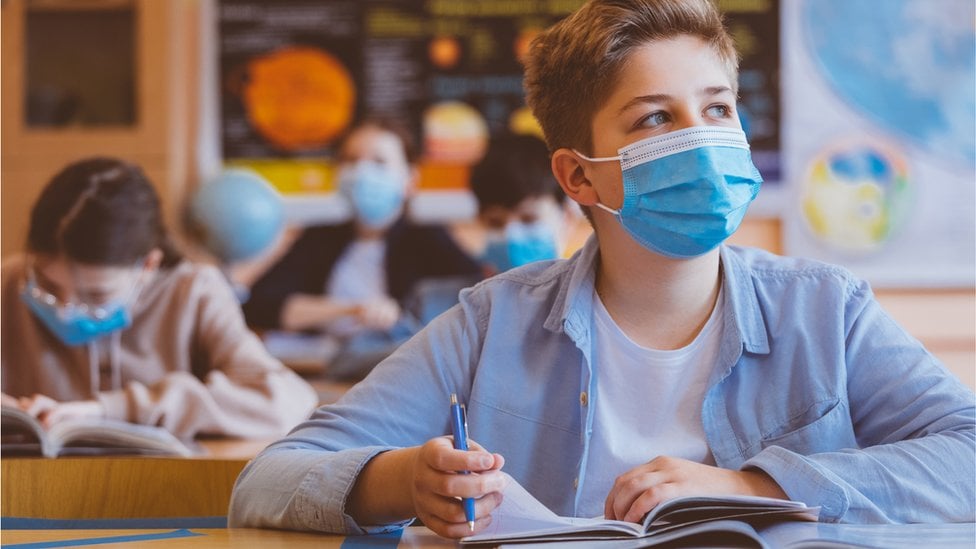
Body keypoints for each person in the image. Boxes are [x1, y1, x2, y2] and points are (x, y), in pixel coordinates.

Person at [229, 0, 975, 538]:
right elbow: (265, 479)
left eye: (718, 109)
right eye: (656, 118)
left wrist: (755, 485)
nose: (703, 140)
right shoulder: (494, 323)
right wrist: (402, 481)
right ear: (580, 178)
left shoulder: (826, 312)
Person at [1, 157, 317, 440]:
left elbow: (284, 401)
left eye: (97, 294)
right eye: (47, 285)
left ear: (148, 266)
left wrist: (113, 410)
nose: (66, 309)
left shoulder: (193, 291)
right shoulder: (9, 281)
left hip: (164, 498)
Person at [241, 119, 482, 377]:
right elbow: (259, 304)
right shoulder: (318, 239)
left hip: (402, 376)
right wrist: (352, 310)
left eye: (379, 162)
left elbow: (473, 301)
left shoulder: (429, 239)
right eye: (351, 160)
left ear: (410, 178)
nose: (361, 171)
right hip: (323, 373)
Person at [470, 133, 577, 276]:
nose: (510, 235)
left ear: (567, 217)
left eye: (529, 219)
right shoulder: (462, 296)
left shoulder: (599, 295)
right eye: (496, 222)